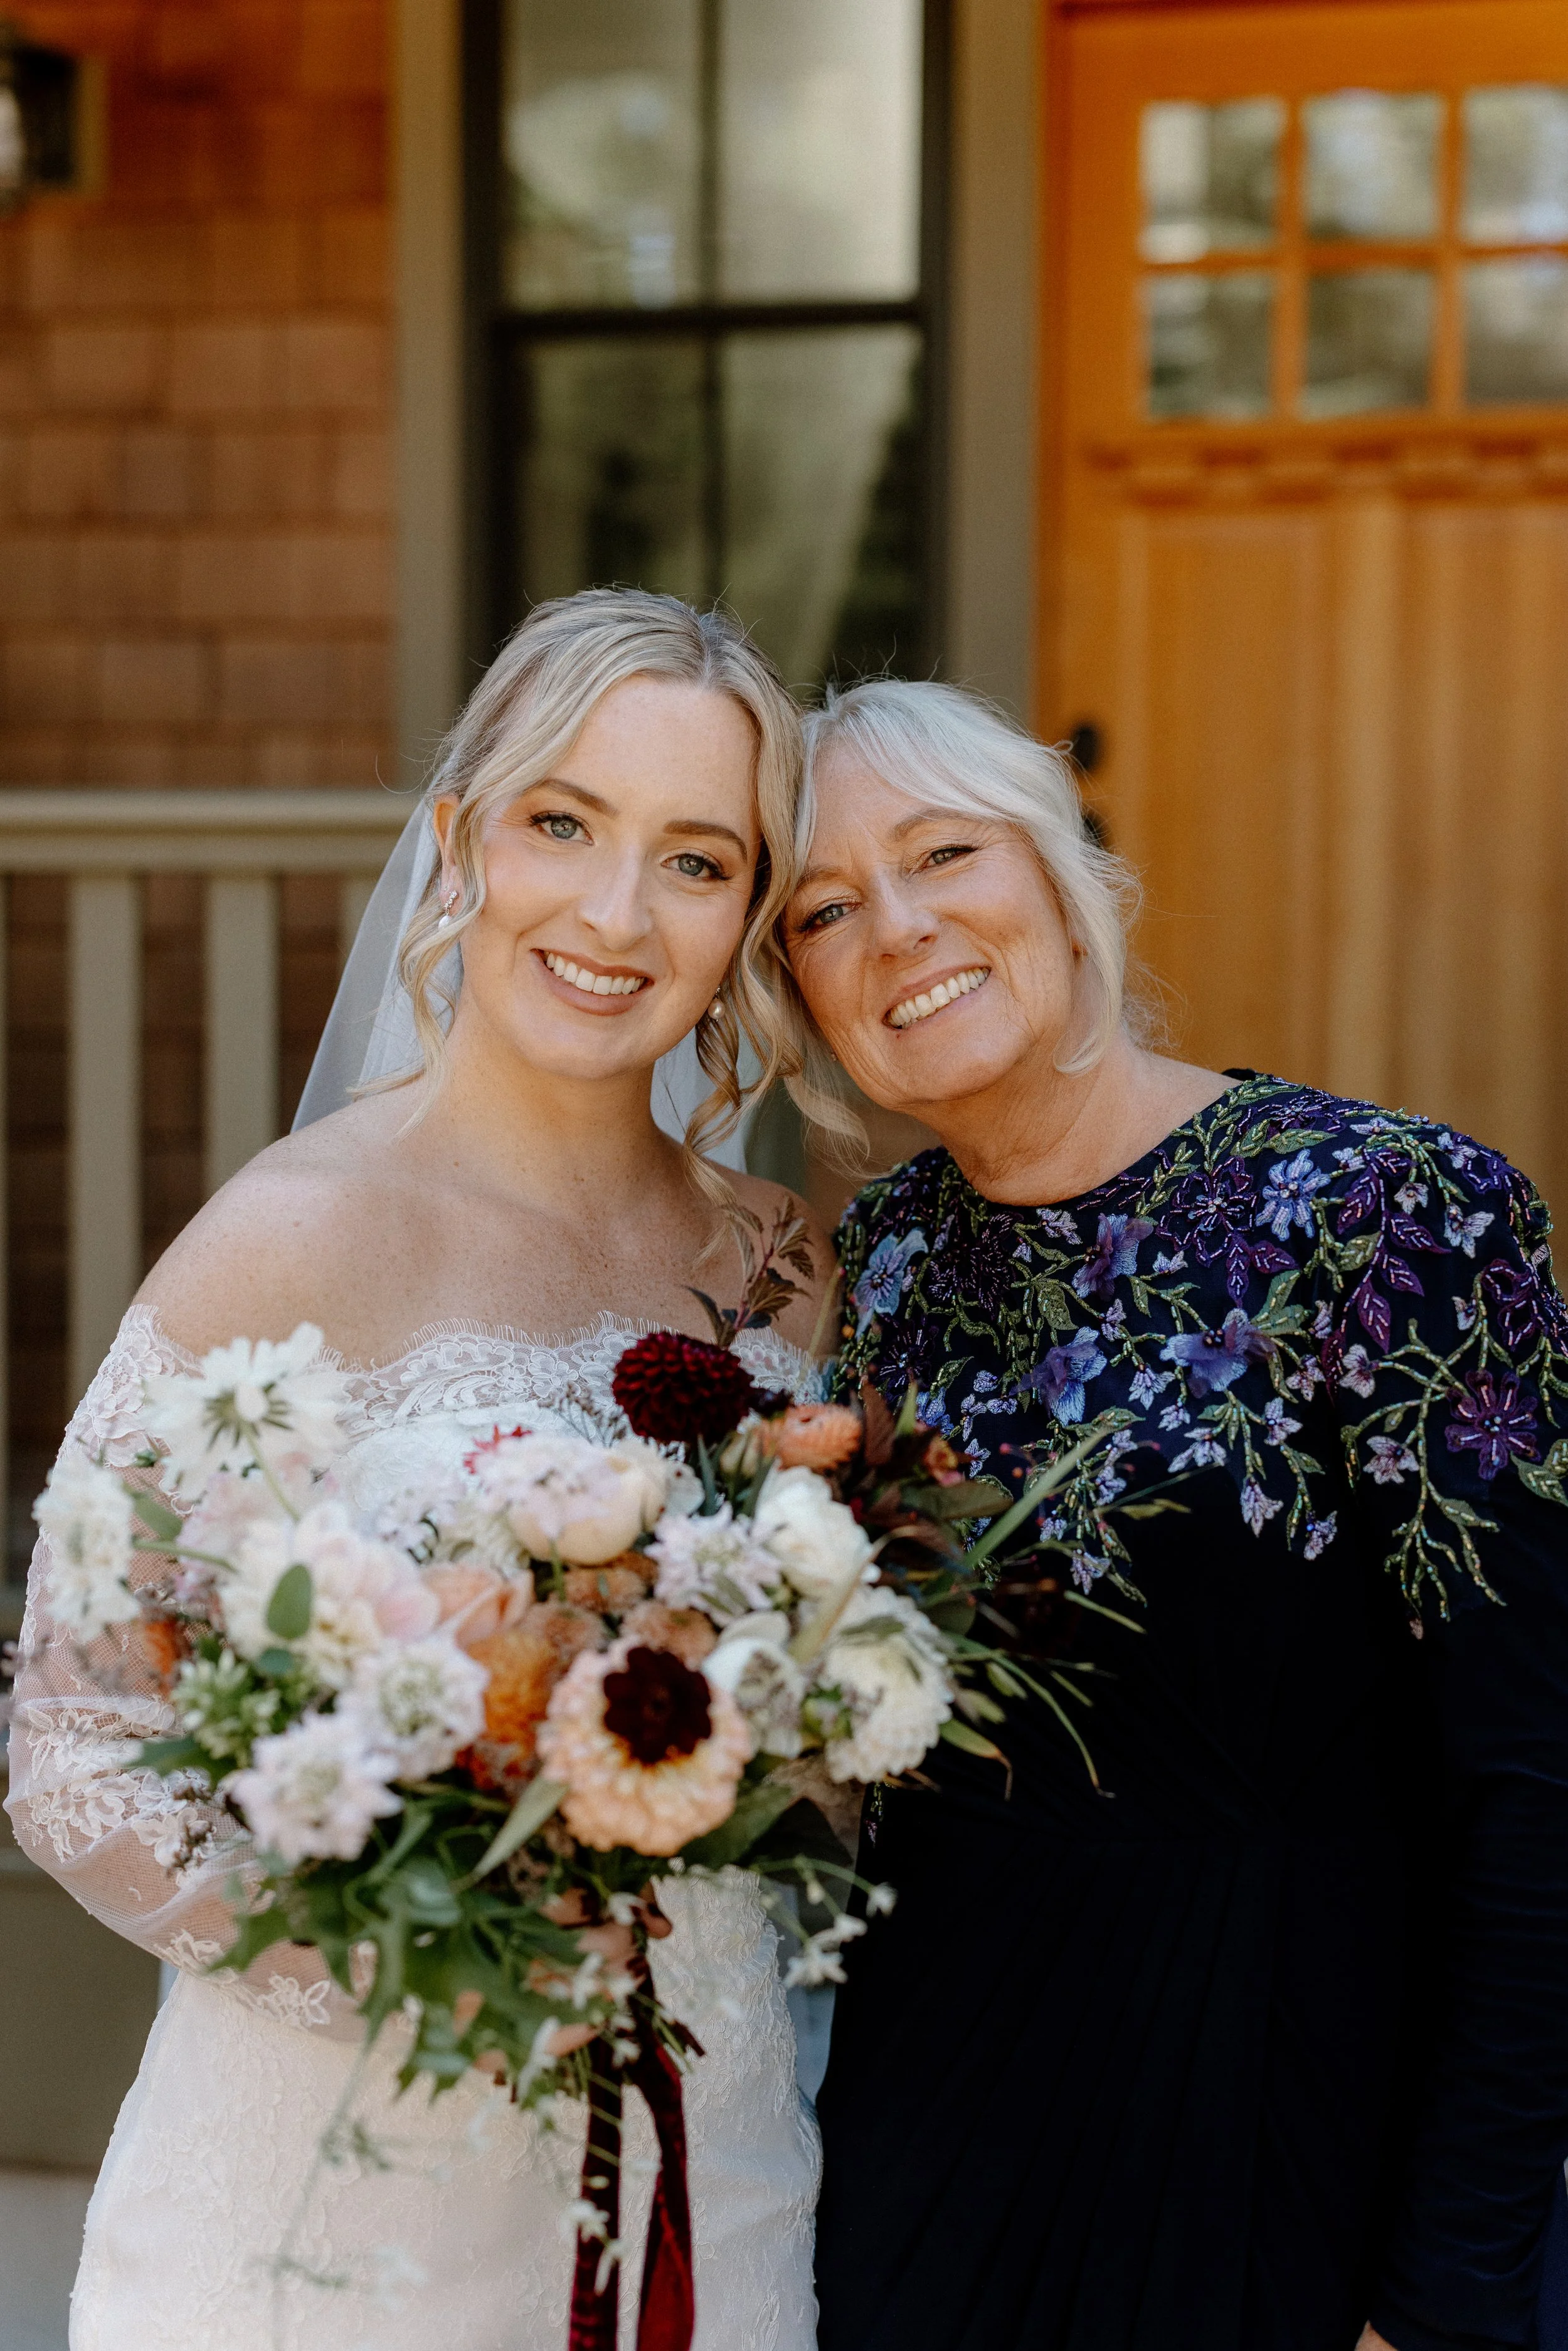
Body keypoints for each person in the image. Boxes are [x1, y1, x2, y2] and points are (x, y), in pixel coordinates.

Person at [6, 590, 830, 2351]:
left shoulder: (784, 1271)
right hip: (338, 2195)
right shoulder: (286, 1239)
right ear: (459, 838)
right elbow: (70, 1738)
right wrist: (402, 1952)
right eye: (563, 822)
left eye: (696, 860)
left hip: (706, 2154)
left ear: (750, 913)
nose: (615, 912)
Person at [771, 676, 1568, 2351]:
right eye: (822, 908)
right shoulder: (889, 1259)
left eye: (943, 854)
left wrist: (1454, 2283)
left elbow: (1537, 1778)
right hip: (942, 2122)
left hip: (1292, 2120)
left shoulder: (1384, 1213)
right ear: (802, 999)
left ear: (1059, 877)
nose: (896, 929)